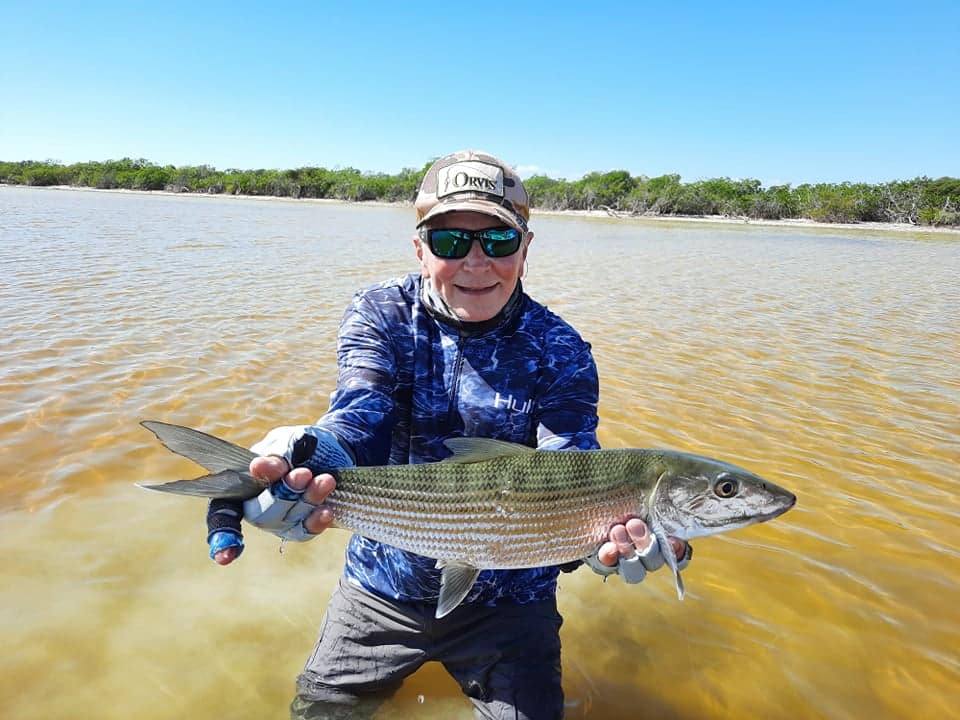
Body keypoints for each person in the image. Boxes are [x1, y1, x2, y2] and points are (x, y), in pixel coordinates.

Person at [204, 150, 692, 720]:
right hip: (380, 588)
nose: (477, 262)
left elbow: (572, 464)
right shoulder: (381, 312)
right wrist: (309, 459)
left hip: (514, 605)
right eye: (451, 242)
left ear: (526, 247)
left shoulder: (562, 349)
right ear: (419, 247)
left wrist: (602, 540)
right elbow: (360, 413)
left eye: (499, 241)